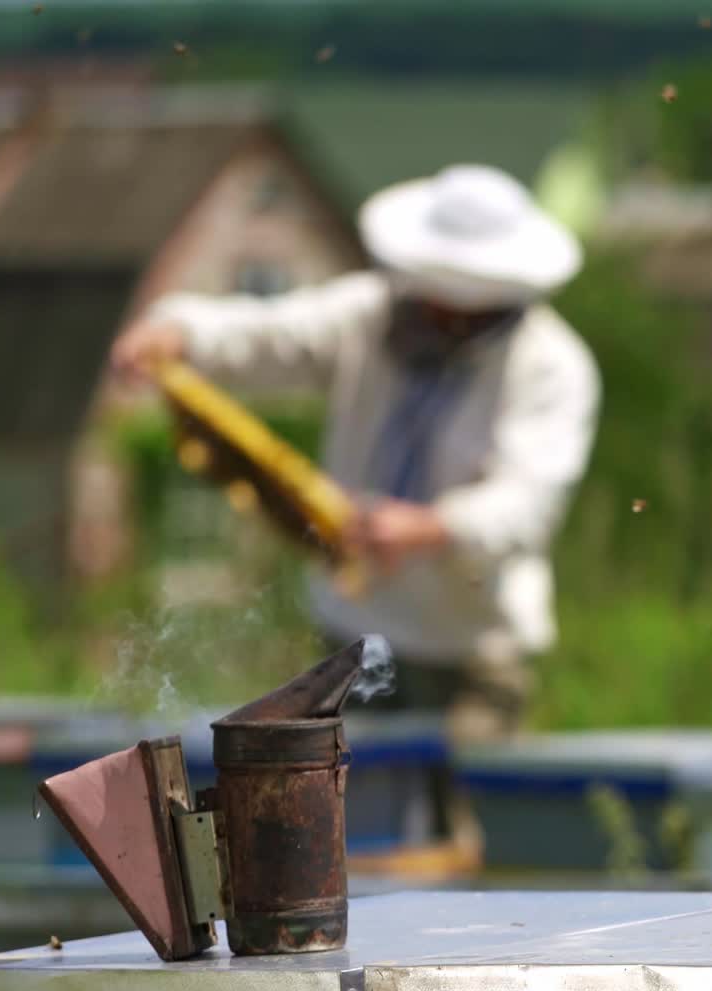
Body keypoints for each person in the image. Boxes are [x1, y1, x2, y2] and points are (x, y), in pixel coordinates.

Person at [112, 166, 600, 841]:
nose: (440, 312)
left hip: (470, 651)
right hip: (352, 635)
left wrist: (427, 527)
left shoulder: (552, 367)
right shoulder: (368, 316)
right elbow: (265, 332)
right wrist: (176, 332)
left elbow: (529, 505)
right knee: (340, 843)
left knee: (471, 854)